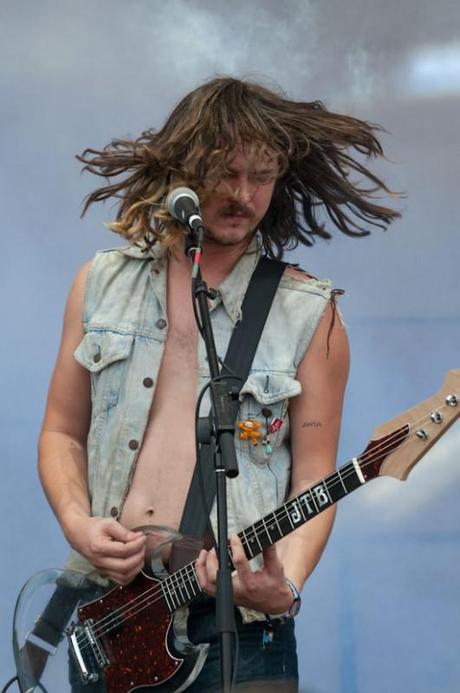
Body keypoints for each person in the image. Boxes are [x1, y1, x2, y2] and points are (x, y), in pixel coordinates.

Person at [38, 77, 400, 691]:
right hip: (115, 619)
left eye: (262, 176)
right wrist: (77, 521)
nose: (244, 194)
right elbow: (60, 431)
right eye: (227, 172)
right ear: (182, 169)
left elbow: (316, 478)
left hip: (242, 627)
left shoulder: (308, 312)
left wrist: (285, 586)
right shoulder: (98, 284)